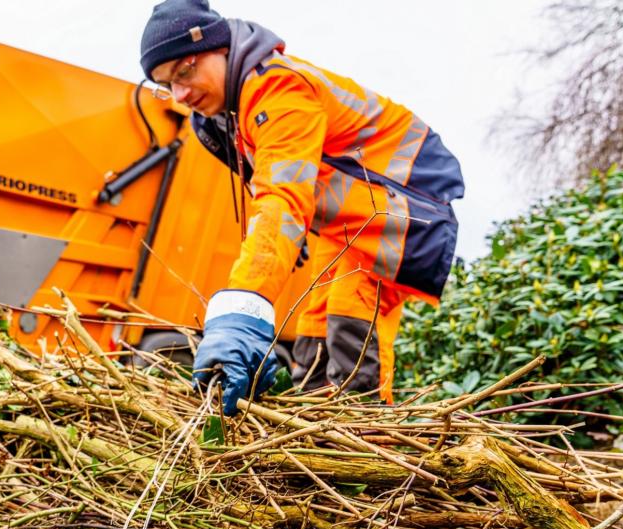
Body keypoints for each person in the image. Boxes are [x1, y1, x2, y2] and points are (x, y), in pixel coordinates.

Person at [140, 0, 464, 415]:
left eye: (185, 71)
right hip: (353, 222)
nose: (181, 95)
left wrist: (243, 306)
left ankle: (361, 432)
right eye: (167, 84)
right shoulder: (236, 112)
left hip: (402, 213)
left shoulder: (278, 90)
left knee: (351, 306)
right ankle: (314, 426)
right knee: (316, 317)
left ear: (222, 50)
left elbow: (282, 198)